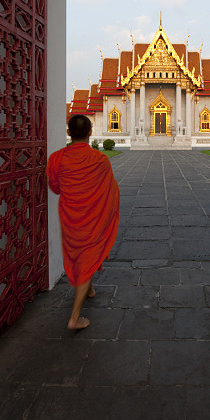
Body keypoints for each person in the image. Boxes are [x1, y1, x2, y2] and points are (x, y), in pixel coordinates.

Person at [46, 114, 120, 330]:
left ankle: (88, 288)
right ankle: (75, 317)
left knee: (82, 254)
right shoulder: (100, 160)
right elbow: (111, 190)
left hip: (70, 217)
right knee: (89, 253)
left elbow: (55, 187)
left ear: (69, 133)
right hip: (93, 217)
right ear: (90, 133)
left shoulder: (56, 158)